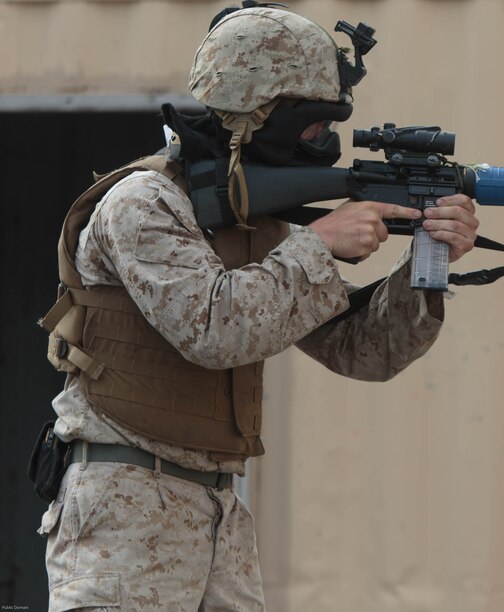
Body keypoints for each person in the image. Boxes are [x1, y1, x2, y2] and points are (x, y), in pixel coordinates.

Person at [34, 3, 478, 609]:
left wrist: (428, 262)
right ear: (259, 114)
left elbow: (364, 352)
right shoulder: (143, 203)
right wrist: (320, 245)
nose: (325, 143)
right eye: (315, 126)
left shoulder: (255, 222)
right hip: (125, 509)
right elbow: (214, 329)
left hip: (219, 513)